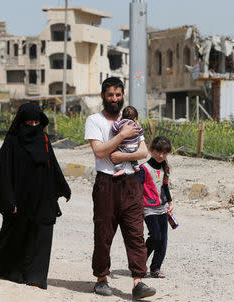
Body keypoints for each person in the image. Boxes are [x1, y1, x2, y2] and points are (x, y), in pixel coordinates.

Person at [0, 102, 71, 289]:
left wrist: (63, 188)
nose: (33, 127)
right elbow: (3, 173)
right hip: (20, 199)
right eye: (29, 123)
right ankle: (1, 269)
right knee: (14, 235)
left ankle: (37, 278)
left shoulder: (44, 140)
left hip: (44, 197)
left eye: (36, 123)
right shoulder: (13, 141)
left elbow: (52, 166)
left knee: (43, 234)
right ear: (21, 122)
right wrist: (9, 200)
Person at [84, 77, 156, 299]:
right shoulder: (94, 120)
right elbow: (100, 152)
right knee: (104, 233)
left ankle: (138, 281)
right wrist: (123, 136)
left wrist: (123, 155)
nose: (114, 99)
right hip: (106, 183)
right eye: (110, 95)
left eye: (117, 95)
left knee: (135, 232)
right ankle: (101, 278)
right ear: (103, 96)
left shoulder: (131, 120)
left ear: (123, 95)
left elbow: (144, 152)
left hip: (132, 183)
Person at [136, 136, 174, 279]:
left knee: (163, 240)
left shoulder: (165, 167)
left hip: (162, 208)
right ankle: (139, 263)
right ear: (151, 150)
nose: (161, 155)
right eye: (158, 152)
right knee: (156, 237)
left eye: (165, 153)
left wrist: (170, 202)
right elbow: (137, 189)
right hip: (148, 208)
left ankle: (155, 268)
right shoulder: (143, 169)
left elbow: (165, 186)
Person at [111, 105, 144, 177]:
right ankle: (136, 166)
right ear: (135, 118)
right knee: (132, 155)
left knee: (114, 152)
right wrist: (137, 123)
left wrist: (118, 120)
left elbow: (113, 129)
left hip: (124, 148)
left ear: (122, 116)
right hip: (134, 148)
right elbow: (141, 132)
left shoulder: (121, 122)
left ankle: (119, 169)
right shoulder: (136, 124)